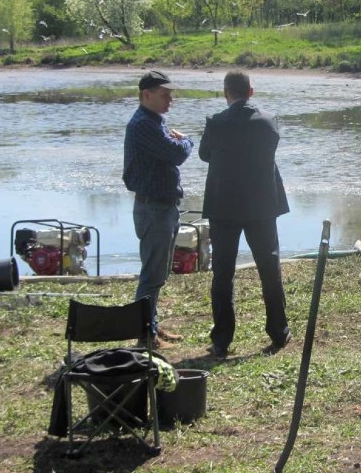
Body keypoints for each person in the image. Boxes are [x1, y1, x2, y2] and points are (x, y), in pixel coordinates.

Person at [199, 70, 291, 359]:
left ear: (226, 93)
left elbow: (204, 155)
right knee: (269, 268)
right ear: (251, 91)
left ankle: (222, 341)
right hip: (261, 207)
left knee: (223, 273)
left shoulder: (216, 123)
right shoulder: (268, 122)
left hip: (224, 207)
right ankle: (279, 331)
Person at [122, 70, 194, 348]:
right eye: (165, 95)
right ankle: (145, 335)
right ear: (146, 95)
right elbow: (177, 153)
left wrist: (177, 142)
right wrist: (186, 140)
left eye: (171, 95)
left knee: (158, 272)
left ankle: (150, 325)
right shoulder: (143, 124)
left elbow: (169, 152)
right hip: (154, 209)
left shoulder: (153, 122)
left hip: (161, 207)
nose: (170, 100)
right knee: (152, 274)